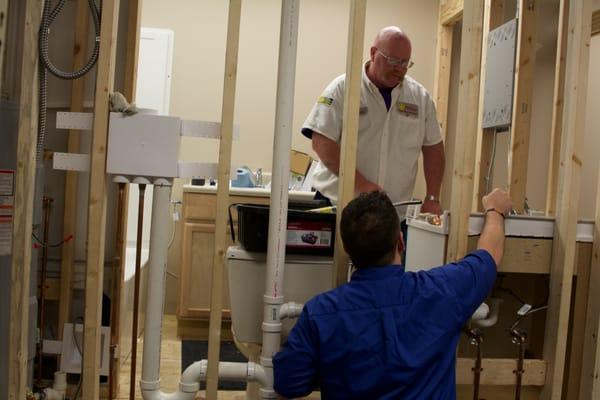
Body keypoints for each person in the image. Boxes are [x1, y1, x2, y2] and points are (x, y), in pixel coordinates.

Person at [273, 189, 512, 399]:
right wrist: (495, 211)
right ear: (401, 241)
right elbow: (490, 253)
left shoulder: (320, 314)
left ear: (347, 250)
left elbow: (287, 386)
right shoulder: (442, 291)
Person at [302, 26, 445, 219]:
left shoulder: (420, 98)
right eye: (393, 61)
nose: (399, 69)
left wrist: (433, 197)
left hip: (393, 214)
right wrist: (361, 185)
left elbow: (434, 149)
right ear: (373, 53)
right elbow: (321, 142)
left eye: (405, 63)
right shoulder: (343, 88)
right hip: (339, 204)